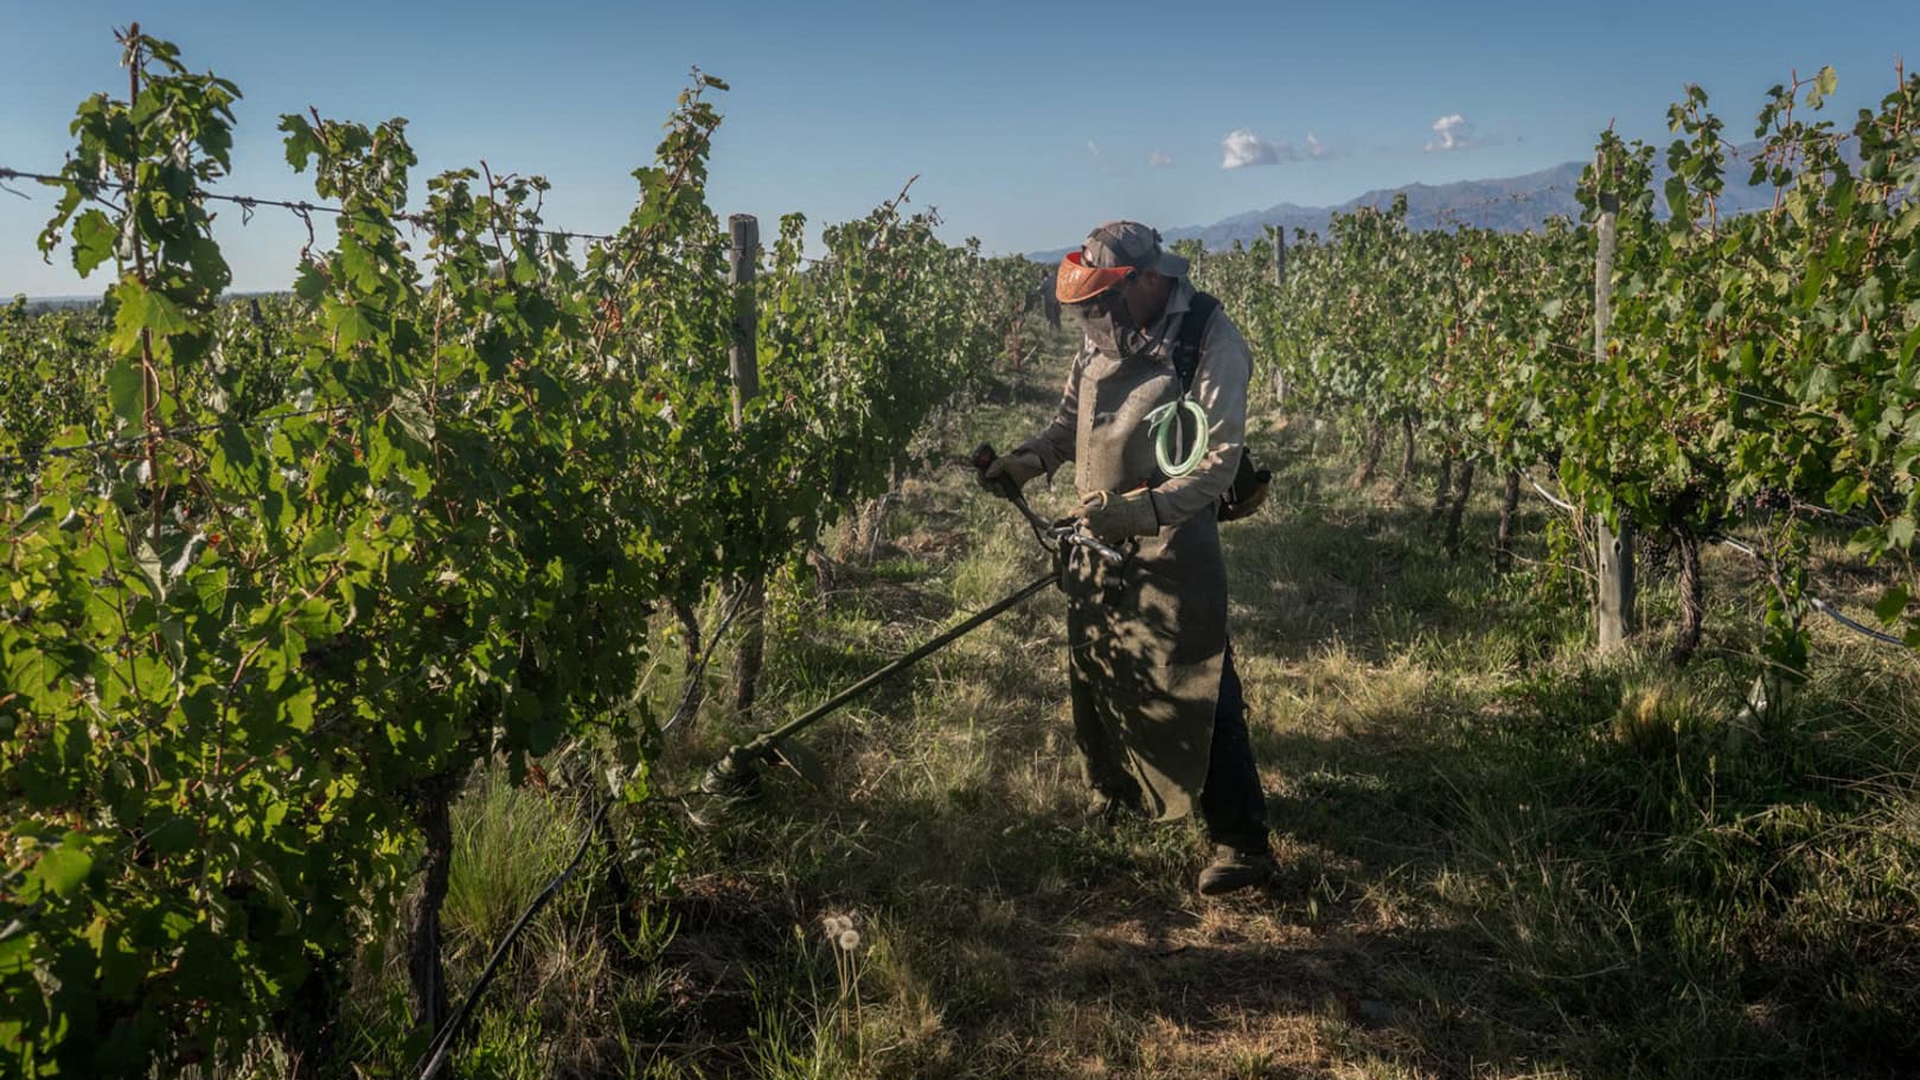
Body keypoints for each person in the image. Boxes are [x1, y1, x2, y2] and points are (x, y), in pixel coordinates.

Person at [982, 221, 1274, 896]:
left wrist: (1139, 513)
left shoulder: (1209, 341)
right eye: (1086, 309)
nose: (1094, 320)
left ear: (1147, 280)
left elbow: (1216, 464)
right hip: (1099, 539)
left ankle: (1242, 842)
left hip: (1172, 536)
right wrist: (1028, 462)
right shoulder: (1102, 333)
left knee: (1197, 671)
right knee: (1102, 663)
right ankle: (1116, 795)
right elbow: (1068, 420)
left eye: (1103, 304)